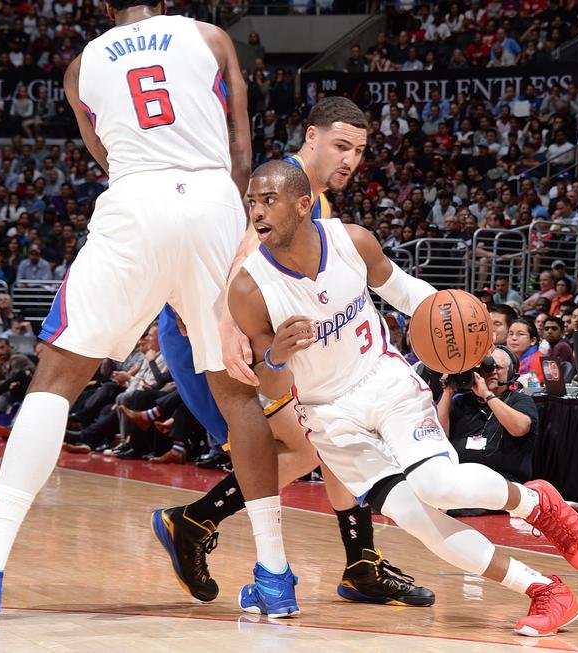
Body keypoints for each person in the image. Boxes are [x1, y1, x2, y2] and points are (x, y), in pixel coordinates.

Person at [0, 1, 280, 616]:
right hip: (215, 200)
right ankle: (275, 578)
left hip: (136, 198)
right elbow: (242, 142)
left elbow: (104, 154)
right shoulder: (211, 37)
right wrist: (231, 231)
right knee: (238, 390)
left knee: (55, 380)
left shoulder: (81, 66)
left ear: (106, 6)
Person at [230, 160, 578, 636]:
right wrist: (276, 356)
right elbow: (271, 388)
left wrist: (456, 333)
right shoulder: (249, 288)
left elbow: (409, 295)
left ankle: (535, 503)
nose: (257, 212)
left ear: (303, 205)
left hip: (385, 383)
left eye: (268, 200)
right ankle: (546, 589)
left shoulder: (352, 241)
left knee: (438, 486)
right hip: (327, 415)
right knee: (413, 518)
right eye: (252, 202)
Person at [152, 97, 432, 611]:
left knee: (322, 441)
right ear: (311, 137)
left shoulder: (312, 202)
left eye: (359, 151)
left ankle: (354, 561)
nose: (350, 160)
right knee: (318, 442)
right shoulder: (286, 193)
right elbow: (246, 256)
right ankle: (200, 525)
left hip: (236, 331)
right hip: (217, 336)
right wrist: (226, 327)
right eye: (341, 146)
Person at [439, 346, 538, 485]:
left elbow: (520, 428)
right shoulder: (461, 401)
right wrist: (448, 391)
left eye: (498, 367)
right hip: (460, 479)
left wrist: (487, 395)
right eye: (487, 367)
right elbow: (439, 434)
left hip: (503, 482)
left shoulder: (520, 400)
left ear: (510, 372)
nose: (493, 371)